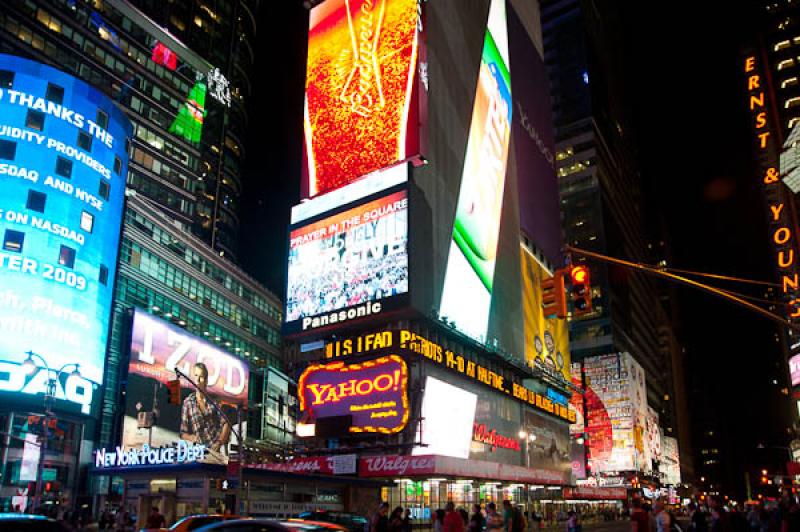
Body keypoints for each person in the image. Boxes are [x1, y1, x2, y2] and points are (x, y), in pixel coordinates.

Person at [180, 363, 232, 452]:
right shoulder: (188, 402)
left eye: (201, 376)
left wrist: (219, 442)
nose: (198, 380)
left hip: (217, 449)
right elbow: (182, 433)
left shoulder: (213, 401)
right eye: (196, 375)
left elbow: (226, 423)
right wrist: (191, 437)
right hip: (200, 450)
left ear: (206, 380)